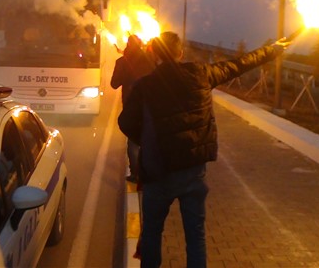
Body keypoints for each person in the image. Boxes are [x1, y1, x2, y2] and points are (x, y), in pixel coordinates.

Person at [118, 31, 291, 268]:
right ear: (180, 53)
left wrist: (147, 140)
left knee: (152, 233)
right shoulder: (201, 74)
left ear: (155, 54)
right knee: (196, 236)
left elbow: (125, 122)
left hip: (158, 175)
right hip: (192, 172)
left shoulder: (145, 86)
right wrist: (272, 49)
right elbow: (239, 65)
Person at [111, 34, 155, 183]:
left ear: (128, 45)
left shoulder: (122, 62)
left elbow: (114, 84)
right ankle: (150, 171)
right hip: (150, 104)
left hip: (130, 106)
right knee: (150, 138)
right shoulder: (151, 61)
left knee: (133, 141)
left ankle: (136, 174)